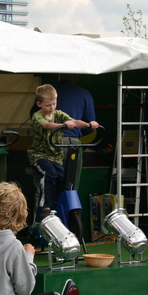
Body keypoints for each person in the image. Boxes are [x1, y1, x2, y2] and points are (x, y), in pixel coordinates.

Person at [28, 84, 99, 220]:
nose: (52, 107)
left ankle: (59, 214)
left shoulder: (58, 113)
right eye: (49, 105)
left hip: (56, 155)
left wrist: (89, 124)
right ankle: (45, 208)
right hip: (40, 155)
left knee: (63, 180)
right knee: (49, 174)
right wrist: (63, 125)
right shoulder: (37, 116)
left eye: (54, 103)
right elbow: (47, 125)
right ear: (39, 104)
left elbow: (74, 121)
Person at [29, 74, 96, 189]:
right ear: (76, 77)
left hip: (48, 143)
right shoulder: (84, 94)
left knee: (46, 183)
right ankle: (67, 205)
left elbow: (34, 116)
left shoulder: (46, 93)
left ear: (60, 76)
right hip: (72, 143)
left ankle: (45, 205)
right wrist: (80, 129)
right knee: (71, 182)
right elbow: (89, 125)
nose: (52, 107)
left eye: (54, 104)